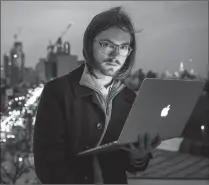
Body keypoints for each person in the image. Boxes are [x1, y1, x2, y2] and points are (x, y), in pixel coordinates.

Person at [33, 6, 161, 184]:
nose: (115, 55)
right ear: (89, 44)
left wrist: (138, 156)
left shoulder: (128, 98)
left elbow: (129, 165)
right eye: (107, 45)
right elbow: (47, 167)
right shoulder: (58, 92)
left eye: (123, 47)